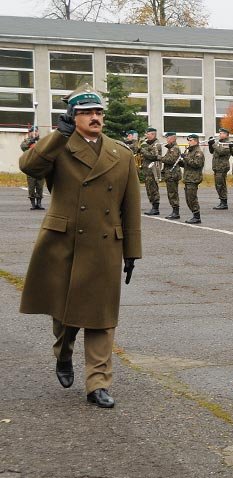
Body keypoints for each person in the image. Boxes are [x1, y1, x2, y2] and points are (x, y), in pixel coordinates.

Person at [18, 84, 142, 408]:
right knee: (65, 315)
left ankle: (97, 383)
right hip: (64, 243)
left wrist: (132, 252)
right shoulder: (59, 148)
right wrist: (59, 134)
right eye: (87, 112)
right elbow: (28, 166)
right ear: (73, 116)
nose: (95, 117)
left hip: (104, 246)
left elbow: (130, 208)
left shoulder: (122, 154)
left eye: (98, 112)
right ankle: (63, 353)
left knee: (102, 317)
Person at [180, 134, 205, 224]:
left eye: (190, 140)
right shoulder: (190, 151)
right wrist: (181, 163)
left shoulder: (198, 152)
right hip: (188, 177)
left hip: (193, 178)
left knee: (192, 198)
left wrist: (185, 158)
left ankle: (197, 217)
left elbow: (197, 164)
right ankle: (194, 215)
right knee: (188, 198)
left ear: (195, 141)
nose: (189, 142)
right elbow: (188, 164)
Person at [20, 126, 45, 210]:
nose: (34, 133)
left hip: (40, 167)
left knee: (40, 186)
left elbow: (47, 148)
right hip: (30, 167)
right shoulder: (27, 141)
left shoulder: (42, 141)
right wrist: (31, 141)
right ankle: (33, 203)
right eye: (33, 131)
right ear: (29, 133)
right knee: (31, 186)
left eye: (36, 131)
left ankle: (39, 203)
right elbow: (23, 147)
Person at [139, 127, 163, 216]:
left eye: (147, 134)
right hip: (147, 170)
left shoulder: (156, 144)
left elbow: (153, 156)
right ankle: (153, 206)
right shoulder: (149, 144)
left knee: (153, 189)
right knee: (149, 189)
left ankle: (155, 208)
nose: (146, 135)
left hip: (153, 170)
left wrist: (142, 150)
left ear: (153, 134)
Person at [209, 127, 232, 210]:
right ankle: (222, 201)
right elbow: (212, 151)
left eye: (222, 133)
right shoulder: (219, 143)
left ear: (226, 135)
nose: (220, 135)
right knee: (218, 185)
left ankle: (224, 202)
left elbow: (221, 152)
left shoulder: (227, 143)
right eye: (220, 133)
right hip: (217, 167)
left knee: (221, 185)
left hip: (222, 167)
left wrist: (214, 144)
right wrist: (210, 144)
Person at [159, 132, 181, 220]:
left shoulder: (174, 148)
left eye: (168, 138)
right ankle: (174, 211)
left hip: (173, 174)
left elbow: (171, 160)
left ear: (173, 138)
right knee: (171, 193)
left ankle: (176, 212)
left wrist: (160, 158)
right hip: (170, 174)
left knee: (173, 193)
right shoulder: (171, 148)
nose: (167, 140)